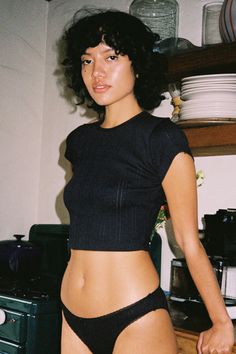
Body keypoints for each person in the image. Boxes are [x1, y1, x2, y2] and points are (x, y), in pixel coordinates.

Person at [60, 8, 234, 354]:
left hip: (133, 313)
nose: (97, 72)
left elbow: (187, 241)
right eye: (87, 60)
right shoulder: (79, 142)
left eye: (111, 56)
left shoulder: (162, 138)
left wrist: (222, 322)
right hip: (72, 312)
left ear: (137, 64)